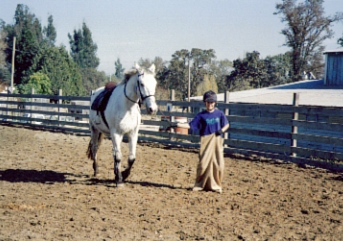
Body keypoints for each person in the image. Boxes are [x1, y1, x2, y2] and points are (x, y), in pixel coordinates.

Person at [172, 90, 230, 193]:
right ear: (205, 102)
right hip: (206, 142)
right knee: (203, 165)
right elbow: (190, 125)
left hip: (217, 142)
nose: (210, 104)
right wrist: (177, 125)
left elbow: (227, 125)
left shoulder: (219, 114)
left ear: (215, 103)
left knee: (219, 165)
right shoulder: (201, 115)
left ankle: (216, 186)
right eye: (208, 102)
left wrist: (221, 131)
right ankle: (199, 185)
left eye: (212, 102)